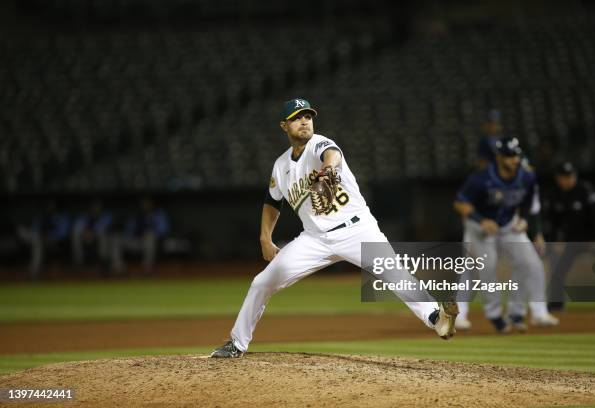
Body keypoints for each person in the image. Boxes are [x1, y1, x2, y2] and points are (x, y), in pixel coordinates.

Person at [210, 98, 458, 358]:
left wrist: (328, 168)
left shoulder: (320, 144)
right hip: (314, 239)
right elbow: (272, 202)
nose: (304, 121)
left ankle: (436, 318)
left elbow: (332, 154)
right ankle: (237, 343)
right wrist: (265, 237)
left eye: (307, 116)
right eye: (296, 117)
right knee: (262, 282)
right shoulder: (281, 166)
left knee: (394, 273)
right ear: (284, 125)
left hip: (357, 229)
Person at [453, 137, 559, 333]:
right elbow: (460, 203)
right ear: (499, 157)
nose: (514, 160)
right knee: (486, 267)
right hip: (480, 227)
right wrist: (480, 220)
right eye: (509, 156)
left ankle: (519, 312)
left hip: (508, 225)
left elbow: (529, 203)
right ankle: (494, 315)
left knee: (530, 263)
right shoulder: (482, 177)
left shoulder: (527, 177)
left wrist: (526, 220)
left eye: (516, 156)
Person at [544, 161, 595, 312]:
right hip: (570, 240)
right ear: (558, 178)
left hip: (591, 238)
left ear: (575, 176)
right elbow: (551, 222)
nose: (567, 180)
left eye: (570, 176)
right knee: (558, 269)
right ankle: (556, 305)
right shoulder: (554, 195)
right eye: (564, 176)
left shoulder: (585, 190)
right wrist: (555, 242)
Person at [111, 197, 169, 274]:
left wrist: (151, 231)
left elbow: (163, 230)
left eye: (147, 203)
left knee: (149, 235)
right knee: (116, 238)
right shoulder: (137, 215)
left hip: (152, 242)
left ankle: (147, 268)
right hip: (136, 241)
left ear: (152, 204)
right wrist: (134, 233)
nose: (145, 205)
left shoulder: (158, 214)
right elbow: (128, 231)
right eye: (143, 204)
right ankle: (118, 267)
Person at [17, 200, 71, 279]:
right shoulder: (42, 217)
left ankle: (33, 273)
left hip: (54, 241)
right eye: (48, 206)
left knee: (37, 244)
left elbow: (63, 233)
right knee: (28, 235)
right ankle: (33, 273)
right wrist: (41, 235)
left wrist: (50, 236)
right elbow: (35, 229)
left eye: (52, 206)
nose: (50, 208)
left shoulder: (61, 217)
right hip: (38, 239)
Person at [71, 200, 114, 270]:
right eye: (94, 207)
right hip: (85, 239)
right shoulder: (84, 217)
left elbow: (105, 227)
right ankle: (78, 260)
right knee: (76, 233)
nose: (95, 209)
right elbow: (78, 225)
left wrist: (93, 233)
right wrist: (85, 233)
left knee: (104, 235)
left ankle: (103, 261)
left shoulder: (106, 217)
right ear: (90, 208)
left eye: (97, 207)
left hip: (100, 240)